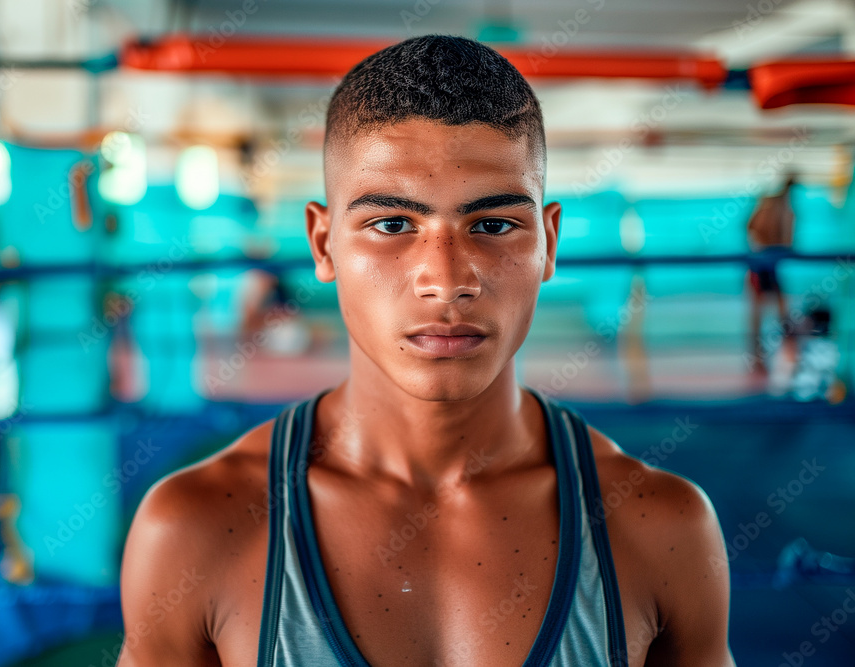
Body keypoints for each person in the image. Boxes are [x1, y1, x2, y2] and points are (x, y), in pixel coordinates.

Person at [117, 35, 735, 666]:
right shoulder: (194, 532)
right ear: (324, 244)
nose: (446, 278)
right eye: (392, 224)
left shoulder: (663, 529)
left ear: (547, 243)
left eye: (492, 225)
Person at [745, 174, 797, 376]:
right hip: (763, 262)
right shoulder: (775, 206)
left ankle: (768, 351)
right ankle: (759, 352)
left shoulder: (780, 206)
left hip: (766, 261)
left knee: (771, 308)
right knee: (764, 309)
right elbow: (754, 228)